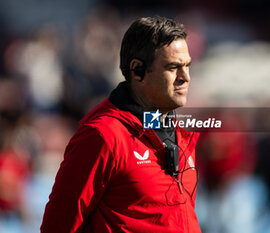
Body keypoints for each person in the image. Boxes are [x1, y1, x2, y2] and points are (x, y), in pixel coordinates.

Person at [41, 16, 201, 233]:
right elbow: (57, 226)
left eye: (187, 66)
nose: (185, 77)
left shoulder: (177, 132)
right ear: (137, 71)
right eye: (173, 67)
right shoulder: (103, 135)